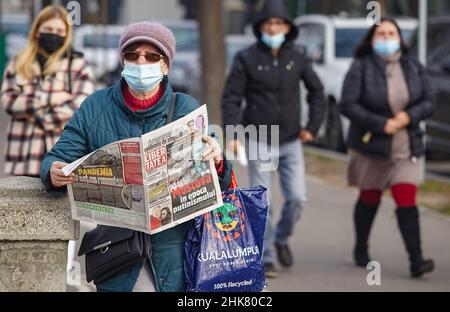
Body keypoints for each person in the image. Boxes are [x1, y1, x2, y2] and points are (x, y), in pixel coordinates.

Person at [40, 21, 232, 292]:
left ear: (166, 65)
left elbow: (219, 184)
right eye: (133, 55)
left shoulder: (185, 108)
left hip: (172, 253)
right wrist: (54, 170)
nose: (141, 62)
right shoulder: (95, 106)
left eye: (152, 57)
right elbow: (57, 157)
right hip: (117, 252)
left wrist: (217, 160)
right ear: (122, 60)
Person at [222, 0, 326, 278]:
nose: (273, 27)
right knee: (263, 202)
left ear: (288, 27)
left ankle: (280, 238)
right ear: (260, 27)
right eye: (268, 23)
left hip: (292, 139)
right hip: (260, 137)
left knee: (298, 198)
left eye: (279, 23)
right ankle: (265, 255)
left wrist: (313, 127)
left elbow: (317, 92)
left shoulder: (298, 57)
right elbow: (231, 97)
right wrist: (233, 134)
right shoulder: (246, 58)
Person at [339, 18, 435, 278]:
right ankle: (361, 247)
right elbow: (347, 104)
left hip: (406, 148)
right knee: (370, 197)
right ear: (372, 39)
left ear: (400, 37)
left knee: (407, 198)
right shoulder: (361, 67)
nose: (386, 38)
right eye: (381, 34)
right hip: (372, 147)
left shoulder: (413, 66)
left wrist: (408, 117)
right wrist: (381, 124)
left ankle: (416, 260)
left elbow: (429, 100)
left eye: (391, 33)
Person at [1, 5, 94, 177]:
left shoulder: (77, 65)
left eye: (59, 30)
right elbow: (8, 101)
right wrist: (53, 98)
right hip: (22, 159)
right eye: (48, 29)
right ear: (37, 31)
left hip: (60, 159)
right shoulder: (18, 63)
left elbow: (80, 106)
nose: (53, 34)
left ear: (66, 34)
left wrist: (37, 114)